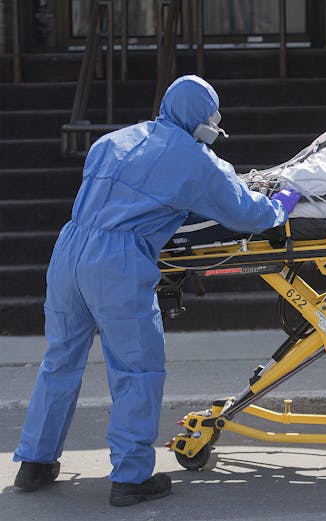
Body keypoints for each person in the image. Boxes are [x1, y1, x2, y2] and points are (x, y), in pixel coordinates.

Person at [12, 75, 300, 506]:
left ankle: (34, 463)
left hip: (69, 250)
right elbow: (245, 211)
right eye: (212, 119)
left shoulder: (114, 140)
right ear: (204, 118)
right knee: (135, 370)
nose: (214, 126)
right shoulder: (195, 160)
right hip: (118, 262)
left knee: (60, 361)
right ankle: (130, 478)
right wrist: (281, 204)